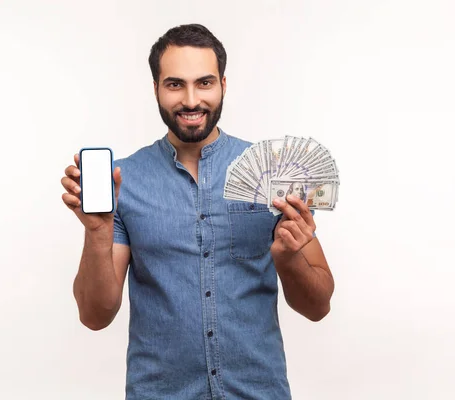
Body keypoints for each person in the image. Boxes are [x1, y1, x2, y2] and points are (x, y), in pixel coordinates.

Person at [61, 23, 335, 400]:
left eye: (204, 83)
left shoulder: (274, 175)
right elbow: (95, 316)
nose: (191, 100)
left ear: (223, 84)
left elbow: (319, 306)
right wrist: (96, 232)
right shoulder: (124, 182)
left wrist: (289, 260)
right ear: (155, 88)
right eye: (175, 84)